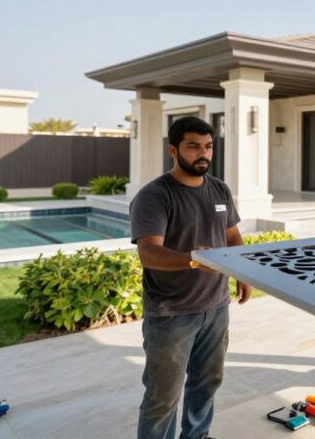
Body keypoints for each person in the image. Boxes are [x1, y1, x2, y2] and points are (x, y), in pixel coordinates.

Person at [130, 116, 252, 439]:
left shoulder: (220, 189)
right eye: (194, 146)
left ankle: (197, 436)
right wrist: (196, 260)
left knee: (207, 383)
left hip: (216, 308)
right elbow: (149, 254)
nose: (204, 154)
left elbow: (233, 236)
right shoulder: (154, 196)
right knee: (163, 397)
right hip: (170, 314)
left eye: (208, 146)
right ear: (173, 149)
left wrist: (243, 272)